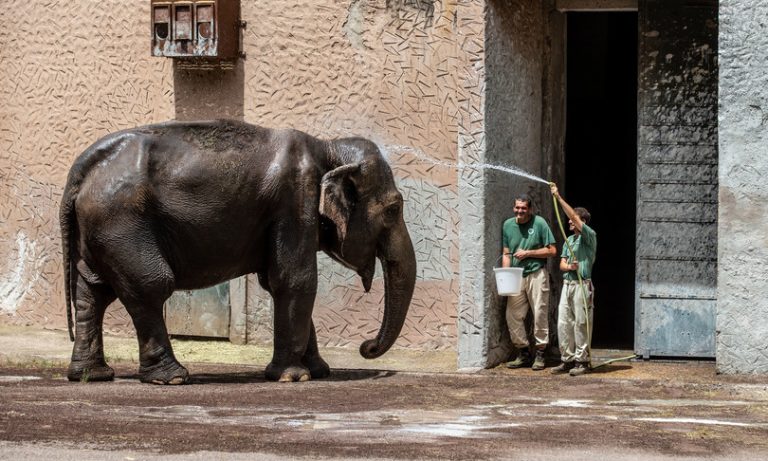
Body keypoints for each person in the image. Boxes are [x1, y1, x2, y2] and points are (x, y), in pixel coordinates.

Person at [502, 194, 557, 371]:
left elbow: (552, 250)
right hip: (516, 275)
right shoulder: (508, 225)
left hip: (536, 273)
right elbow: (506, 253)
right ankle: (523, 352)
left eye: (523, 208)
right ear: (513, 208)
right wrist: (506, 274)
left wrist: (528, 253)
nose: (520, 211)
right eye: (517, 207)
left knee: (539, 313)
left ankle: (541, 353)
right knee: (512, 315)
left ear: (530, 209)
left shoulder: (539, 223)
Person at [549, 183, 597, 377]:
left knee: (581, 323)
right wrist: (570, 267)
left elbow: (574, 217)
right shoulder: (569, 241)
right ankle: (567, 359)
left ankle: (582, 361)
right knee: (564, 322)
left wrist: (559, 197)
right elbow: (561, 264)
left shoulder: (590, 237)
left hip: (582, 285)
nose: (568, 223)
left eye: (572, 220)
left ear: (581, 221)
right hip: (568, 285)